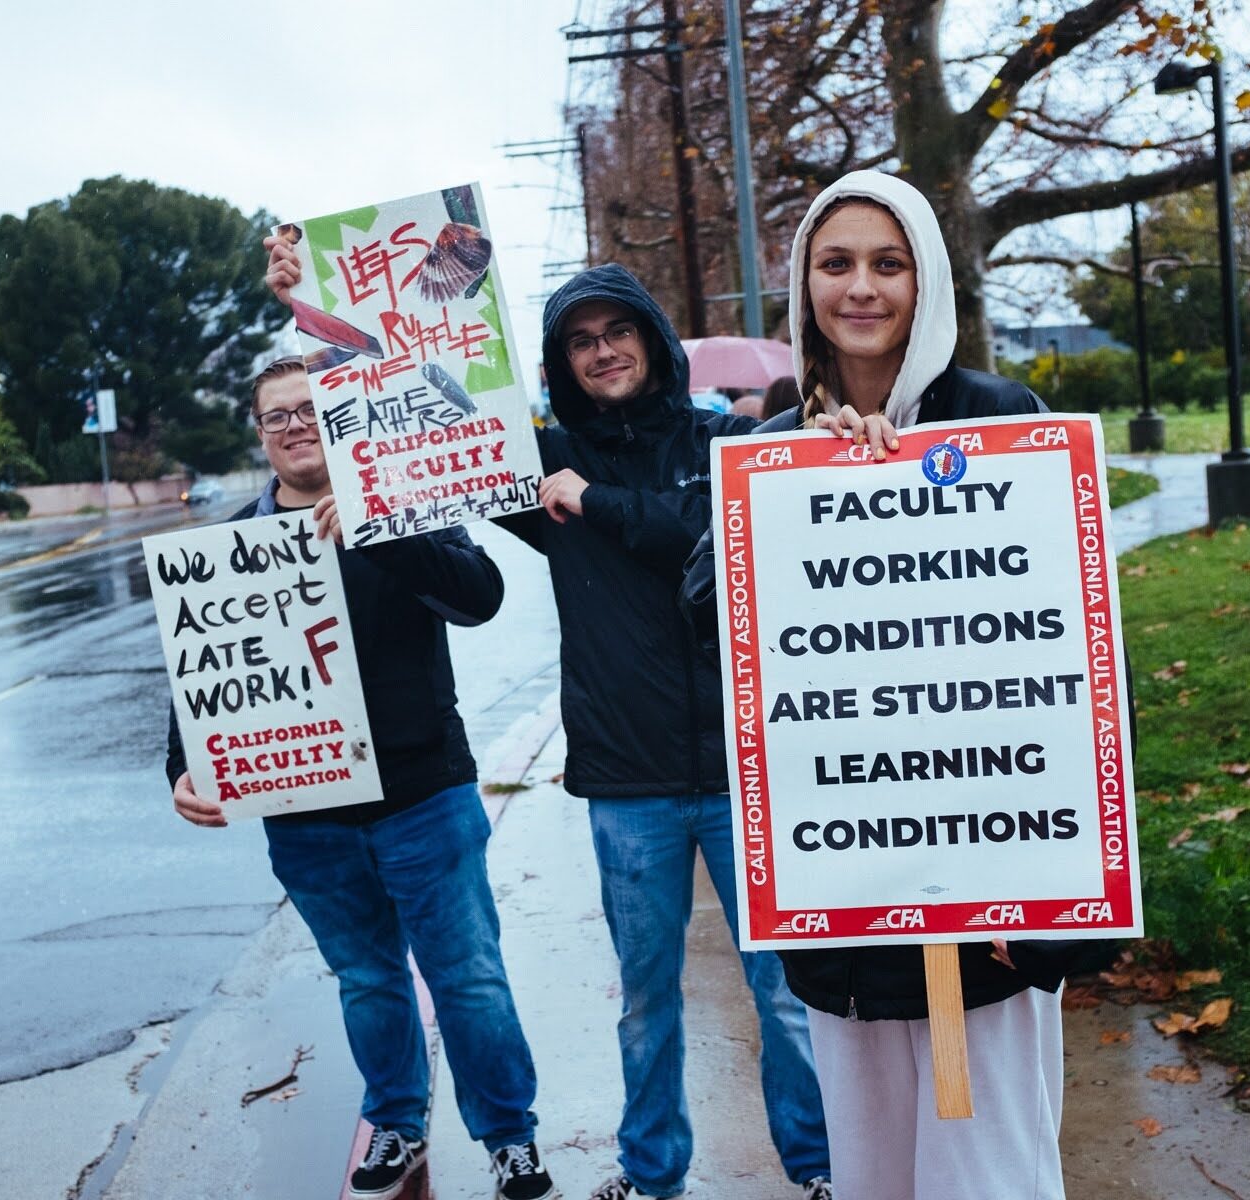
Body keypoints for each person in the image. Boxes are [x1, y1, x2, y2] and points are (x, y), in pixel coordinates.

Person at [268, 233, 833, 1199]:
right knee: (647, 1006)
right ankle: (652, 1178)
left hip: (750, 770)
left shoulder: (727, 445)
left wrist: (598, 502)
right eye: (581, 341)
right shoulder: (539, 461)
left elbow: (715, 531)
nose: (604, 350)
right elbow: (413, 414)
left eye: (620, 331)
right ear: (560, 364)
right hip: (626, 784)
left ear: (653, 340)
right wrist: (310, 305)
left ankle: (821, 1171)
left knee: (785, 999)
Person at [683, 170, 1093, 1200]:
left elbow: (1062, 653)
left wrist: (1040, 877)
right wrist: (801, 491)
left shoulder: (1000, 416)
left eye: (888, 263)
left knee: (990, 1166)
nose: (860, 288)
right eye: (836, 264)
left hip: (986, 889)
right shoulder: (771, 446)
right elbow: (705, 617)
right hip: (848, 887)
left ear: (927, 281)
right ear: (803, 286)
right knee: (874, 1169)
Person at [165, 356, 559, 1200]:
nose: (296, 425)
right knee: (368, 982)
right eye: (278, 416)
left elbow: (480, 595)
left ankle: (510, 1140)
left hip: (425, 798)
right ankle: (398, 1127)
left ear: (340, 419)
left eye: (311, 409)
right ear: (261, 436)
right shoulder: (229, 546)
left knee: (469, 978)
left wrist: (389, 530)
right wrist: (180, 768)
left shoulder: (398, 504)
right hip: (306, 818)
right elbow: (203, 671)